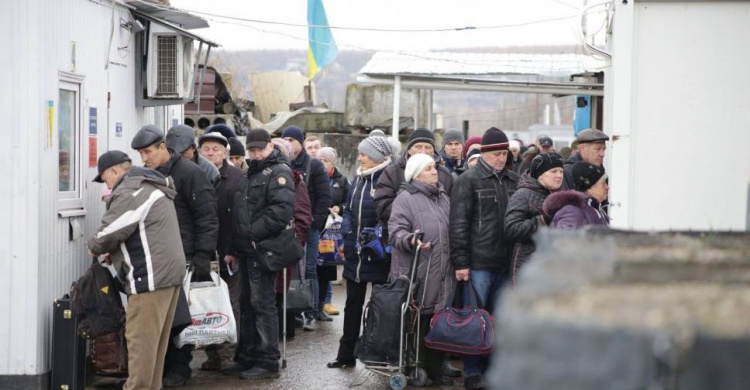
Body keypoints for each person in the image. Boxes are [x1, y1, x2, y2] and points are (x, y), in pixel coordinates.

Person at [88, 151, 185, 390]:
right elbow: (140, 230)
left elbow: (107, 234)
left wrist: (94, 247)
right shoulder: (149, 186)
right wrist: (118, 253)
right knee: (154, 347)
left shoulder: (132, 190)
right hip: (168, 275)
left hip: (150, 277)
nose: (107, 186)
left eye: (105, 179)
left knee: (140, 344)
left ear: (114, 171)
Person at [131, 125, 219, 387]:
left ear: (162, 147)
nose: (144, 158)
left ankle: (180, 367)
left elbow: (207, 216)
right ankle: (165, 367)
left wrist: (204, 254)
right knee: (162, 316)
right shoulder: (150, 174)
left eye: (148, 152)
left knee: (180, 316)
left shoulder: (190, 174)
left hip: (186, 255)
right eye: (140, 154)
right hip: (158, 255)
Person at [449, 127, 519, 389]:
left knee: (499, 319)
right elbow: (458, 224)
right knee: (475, 320)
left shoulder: (514, 180)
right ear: (485, 153)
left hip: (506, 261)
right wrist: (461, 262)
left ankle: (492, 369)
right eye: (497, 154)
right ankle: (473, 370)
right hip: (478, 263)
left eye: (504, 153)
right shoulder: (469, 180)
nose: (501, 158)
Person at [229, 128, 296, 380]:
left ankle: (268, 359)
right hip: (248, 248)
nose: (256, 153)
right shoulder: (251, 172)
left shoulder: (279, 172)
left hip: (263, 249)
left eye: (260, 149)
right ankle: (249, 356)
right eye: (252, 150)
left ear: (270, 147)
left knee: (262, 304)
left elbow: (280, 212)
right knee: (248, 302)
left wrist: (251, 235)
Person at [388, 153, 453, 386]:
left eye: (434, 167)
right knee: (419, 317)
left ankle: (434, 366)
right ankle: (415, 366)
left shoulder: (443, 197)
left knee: (437, 318)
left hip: (442, 267)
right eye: (428, 169)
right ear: (416, 174)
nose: (434, 171)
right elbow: (395, 232)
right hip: (418, 268)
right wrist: (410, 240)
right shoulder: (405, 198)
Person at [327, 136, 392, 369]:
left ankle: (377, 355)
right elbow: (349, 210)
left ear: (375, 156)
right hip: (356, 255)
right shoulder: (358, 178)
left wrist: (376, 238)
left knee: (380, 307)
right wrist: (347, 233)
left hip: (378, 256)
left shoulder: (388, 178)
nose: (359, 157)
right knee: (352, 303)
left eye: (363, 154)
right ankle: (345, 356)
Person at [196, 132, 244, 371]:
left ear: (226, 152)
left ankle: (227, 355)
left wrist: (233, 249)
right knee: (205, 302)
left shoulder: (237, 177)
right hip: (203, 252)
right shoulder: (196, 174)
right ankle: (212, 354)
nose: (211, 153)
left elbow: (241, 218)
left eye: (216, 148)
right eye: (206, 149)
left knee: (229, 303)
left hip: (228, 252)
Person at [282, 126, 332, 329]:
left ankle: (311, 312)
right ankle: (292, 311)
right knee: (289, 270)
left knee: (310, 269)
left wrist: (314, 223)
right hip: (285, 227)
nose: (289, 143)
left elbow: (324, 197)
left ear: (300, 142)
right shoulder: (280, 162)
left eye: (292, 140)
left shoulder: (314, 166)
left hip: (308, 227)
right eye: (285, 139)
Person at [270, 137, 313, 342]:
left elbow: (303, 217)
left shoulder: (296, 181)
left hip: (284, 246)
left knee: (281, 293)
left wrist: (294, 243)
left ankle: (281, 336)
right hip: (263, 247)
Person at [374, 128, 454, 229]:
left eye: (428, 147)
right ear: (409, 150)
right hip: (401, 236)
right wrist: (411, 209)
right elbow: (381, 206)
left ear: (433, 151)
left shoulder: (444, 174)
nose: (423, 151)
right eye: (418, 147)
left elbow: (455, 208)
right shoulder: (392, 172)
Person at [504, 153, 564, 283]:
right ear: (540, 174)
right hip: (528, 266)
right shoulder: (522, 195)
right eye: (553, 171)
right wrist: (542, 220)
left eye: (561, 171)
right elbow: (511, 228)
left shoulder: (560, 195)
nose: (559, 175)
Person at [316, 147, 350, 317]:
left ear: (333, 163)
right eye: (319, 159)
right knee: (312, 268)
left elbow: (348, 201)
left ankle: (322, 305)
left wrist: (340, 208)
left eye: (326, 160)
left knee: (326, 269)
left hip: (331, 232)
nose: (322, 163)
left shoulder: (342, 180)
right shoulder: (314, 176)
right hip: (316, 227)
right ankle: (310, 307)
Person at [544, 161, 610, 229]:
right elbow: (563, 238)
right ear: (590, 187)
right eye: (603, 183)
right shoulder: (573, 212)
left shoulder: (595, 207)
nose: (607, 187)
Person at [166, 124, 220, 188]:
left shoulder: (209, 170)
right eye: (173, 153)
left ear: (193, 148)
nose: (178, 158)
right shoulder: (162, 166)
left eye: (184, 154)